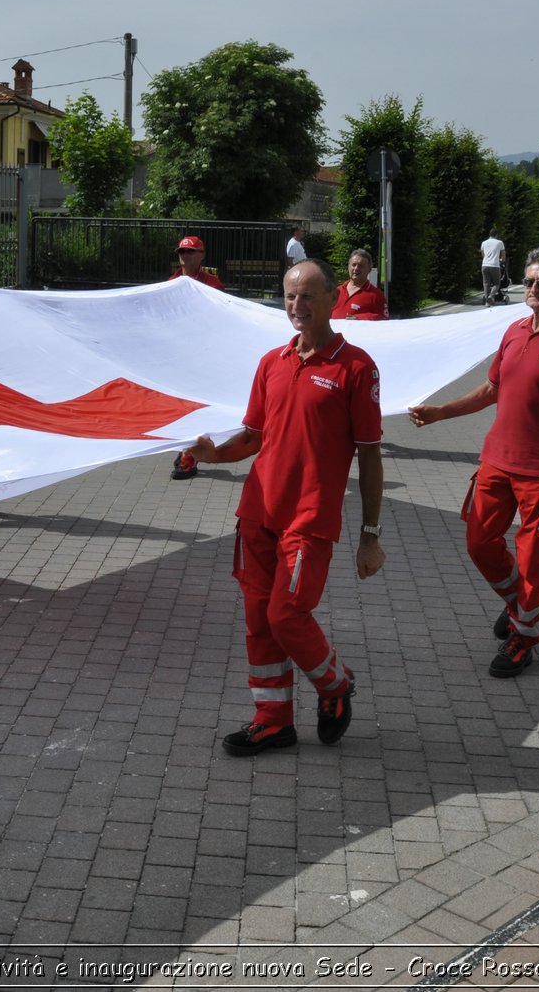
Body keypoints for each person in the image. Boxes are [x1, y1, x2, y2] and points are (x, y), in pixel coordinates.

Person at [187, 259, 384, 756]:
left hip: (309, 520)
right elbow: (253, 435)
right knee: (259, 619)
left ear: (332, 300)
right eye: (289, 297)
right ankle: (273, 720)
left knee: (286, 616)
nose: (296, 306)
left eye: (307, 296)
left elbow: (369, 453)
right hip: (257, 512)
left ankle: (335, 682)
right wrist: (215, 454)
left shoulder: (356, 367)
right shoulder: (271, 361)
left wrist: (370, 534)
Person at [408, 248, 539, 678]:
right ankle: (518, 606)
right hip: (496, 463)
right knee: (479, 544)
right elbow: (490, 390)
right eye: (529, 282)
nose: (534, 289)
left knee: (532, 563)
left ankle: (525, 637)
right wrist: (441, 411)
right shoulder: (513, 331)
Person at [169, 235, 224, 482]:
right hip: (178, 355)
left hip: (203, 356)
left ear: (202, 255)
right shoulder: (170, 283)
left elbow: (222, 317)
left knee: (196, 407)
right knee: (181, 406)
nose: (185, 257)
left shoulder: (213, 284)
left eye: (190, 252)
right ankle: (186, 449)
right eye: (182, 252)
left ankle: (188, 456)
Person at [332, 248, 388, 320]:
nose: (356, 268)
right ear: (348, 267)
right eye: (353, 265)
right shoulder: (337, 291)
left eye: (360, 266)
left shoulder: (376, 295)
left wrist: (359, 318)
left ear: (369, 270)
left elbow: (384, 321)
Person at [481, 230, 507, 305]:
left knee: (486, 284)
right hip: (495, 265)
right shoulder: (499, 242)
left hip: (485, 265)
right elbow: (503, 255)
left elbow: (483, 255)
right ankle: (491, 296)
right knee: (496, 283)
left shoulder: (484, 243)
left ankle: (487, 302)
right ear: (496, 235)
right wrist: (502, 261)